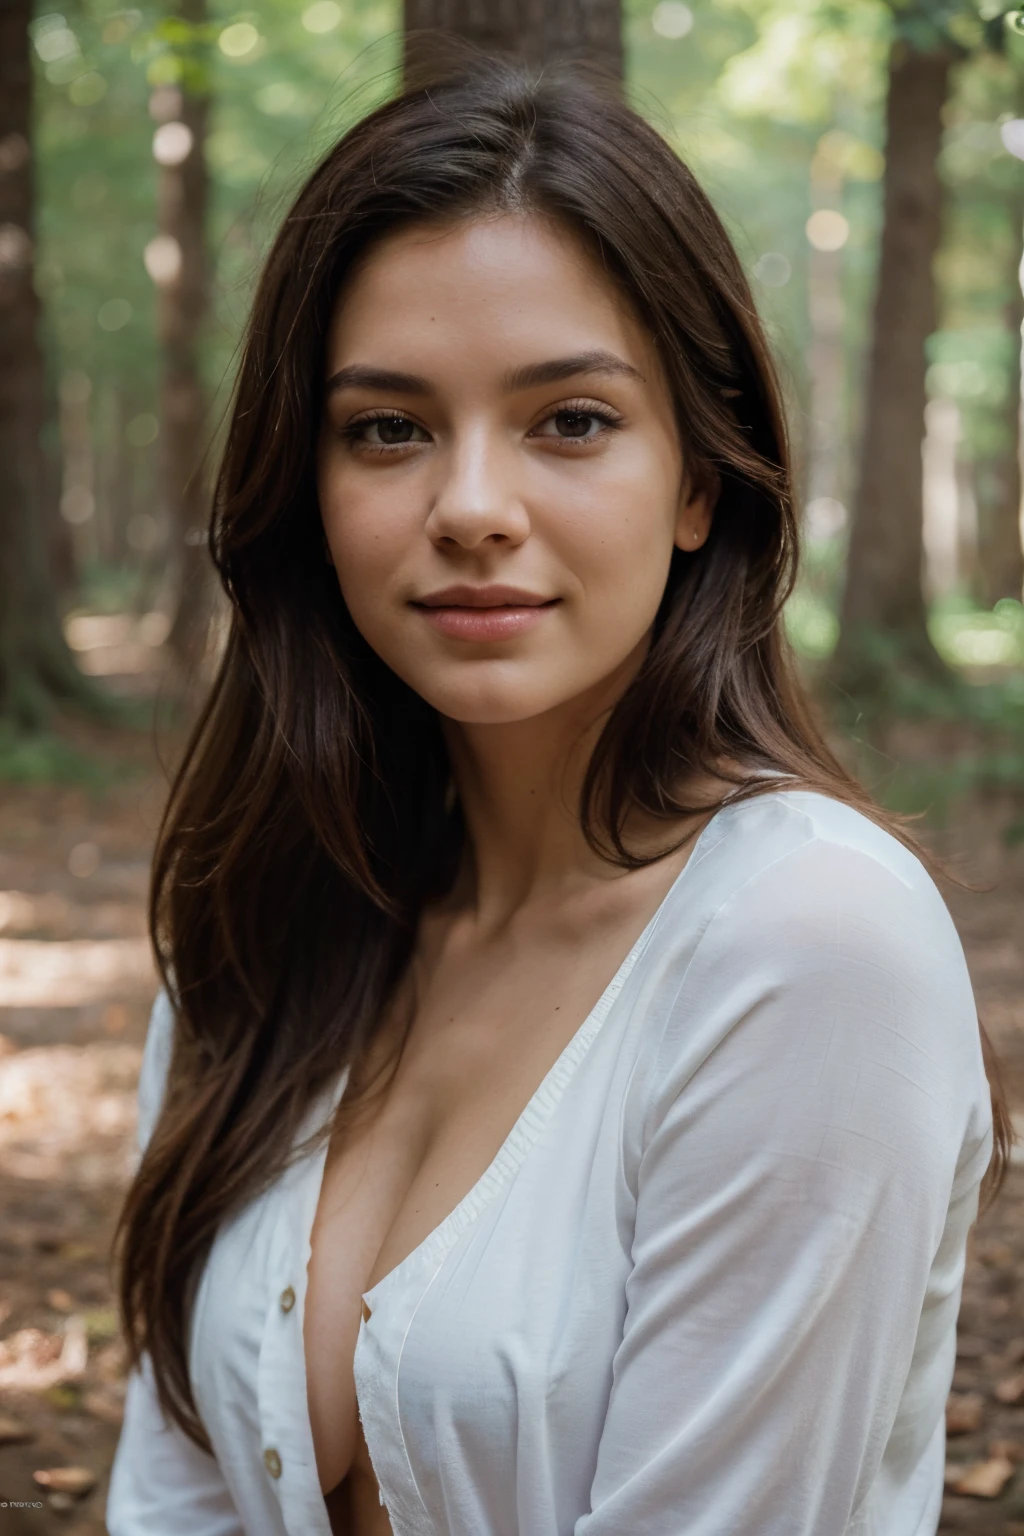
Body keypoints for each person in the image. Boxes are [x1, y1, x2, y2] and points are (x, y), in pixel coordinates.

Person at [107, 53, 1006, 1536]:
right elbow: (173, 1489)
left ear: (701, 482)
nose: (470, 506)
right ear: (309, 485)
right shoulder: (251, 925)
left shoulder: (807, 944)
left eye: (571, 420)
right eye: (386, 428)